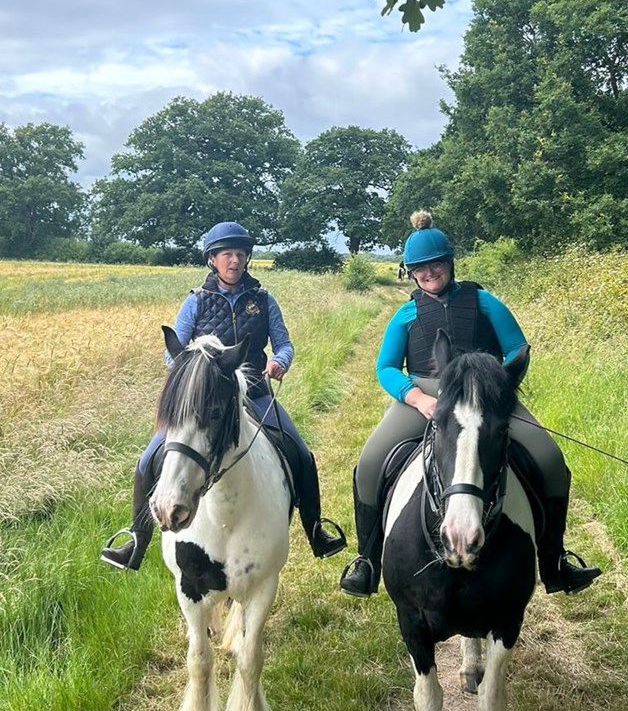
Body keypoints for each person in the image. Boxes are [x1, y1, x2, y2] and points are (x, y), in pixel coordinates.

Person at [339, 211, 601, 598]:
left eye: (436, 264)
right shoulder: (405, 314)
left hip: (485, 395)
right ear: (411, 273)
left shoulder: (485, 303)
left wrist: (494, 385)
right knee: (370, 463)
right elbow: (386, 367)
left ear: (450, 263)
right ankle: (367, 561)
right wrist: (419, 399)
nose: (429, 273)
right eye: (420, 268)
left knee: (549, 459)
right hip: (426, 397)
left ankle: (554, 561)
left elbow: (517, 349)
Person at [101, 221, 346, 571]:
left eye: (240, 255)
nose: (235, 261)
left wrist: (280, 360)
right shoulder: (196, 301)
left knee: (300, 452)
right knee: (149, 458)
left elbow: (284, 343)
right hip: (205, 399)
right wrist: (197, 365)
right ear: (212, 260)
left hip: (256, 393)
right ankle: (136, 541)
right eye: (227, 254)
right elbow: (174, 355)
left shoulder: (262, 300)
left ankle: (315, 530)